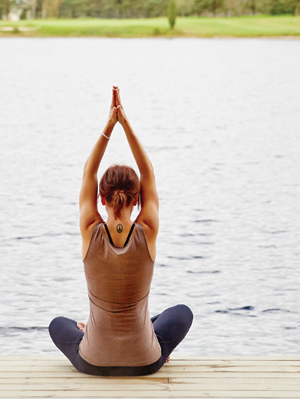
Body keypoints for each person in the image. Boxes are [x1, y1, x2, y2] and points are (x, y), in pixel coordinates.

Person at [48, 87, 193, 376]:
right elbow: (148, 172)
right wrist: (125, 124)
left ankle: (96, 329)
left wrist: (109, 126)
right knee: (180, 313)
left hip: (93, 361)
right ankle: (144, 338)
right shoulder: (148, 229)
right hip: (145, 361)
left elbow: (89, 171)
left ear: (101, 198)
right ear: (137, 199)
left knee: (57, 324)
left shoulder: (90, 229)